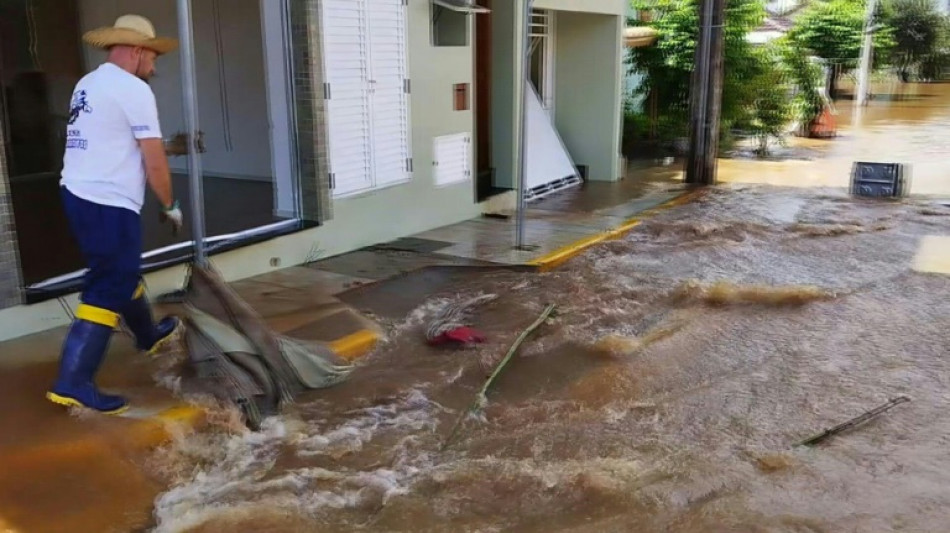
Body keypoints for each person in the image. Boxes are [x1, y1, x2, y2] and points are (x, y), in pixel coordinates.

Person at [47, 15, 184, 414]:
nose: (154, 67)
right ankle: (73, 381)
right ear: (138, 51)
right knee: (108, 283)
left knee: (119, 269)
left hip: (77, 191)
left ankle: (147, 334)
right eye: (153, 57)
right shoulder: (132, 89)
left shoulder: (88, 83)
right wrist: (170, 205)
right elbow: (154, 159)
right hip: (108, 201)